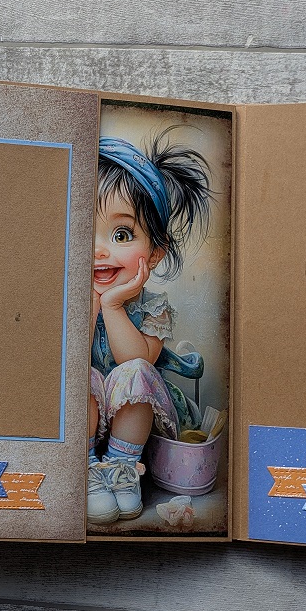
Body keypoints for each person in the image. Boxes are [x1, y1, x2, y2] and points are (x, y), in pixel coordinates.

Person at [87, 131, 212, 525]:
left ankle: (121, 470)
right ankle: (86, 468)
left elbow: (135, 359)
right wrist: (91, 303)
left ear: (155, 254)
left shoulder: (154, 306)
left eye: (122, 235)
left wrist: (112, 304)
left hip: (136, 421)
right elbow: (70, 354)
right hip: (83, 421)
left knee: (137, 371)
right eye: (84, 229)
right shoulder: (70, 298)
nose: (99, 250)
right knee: (75, 372)